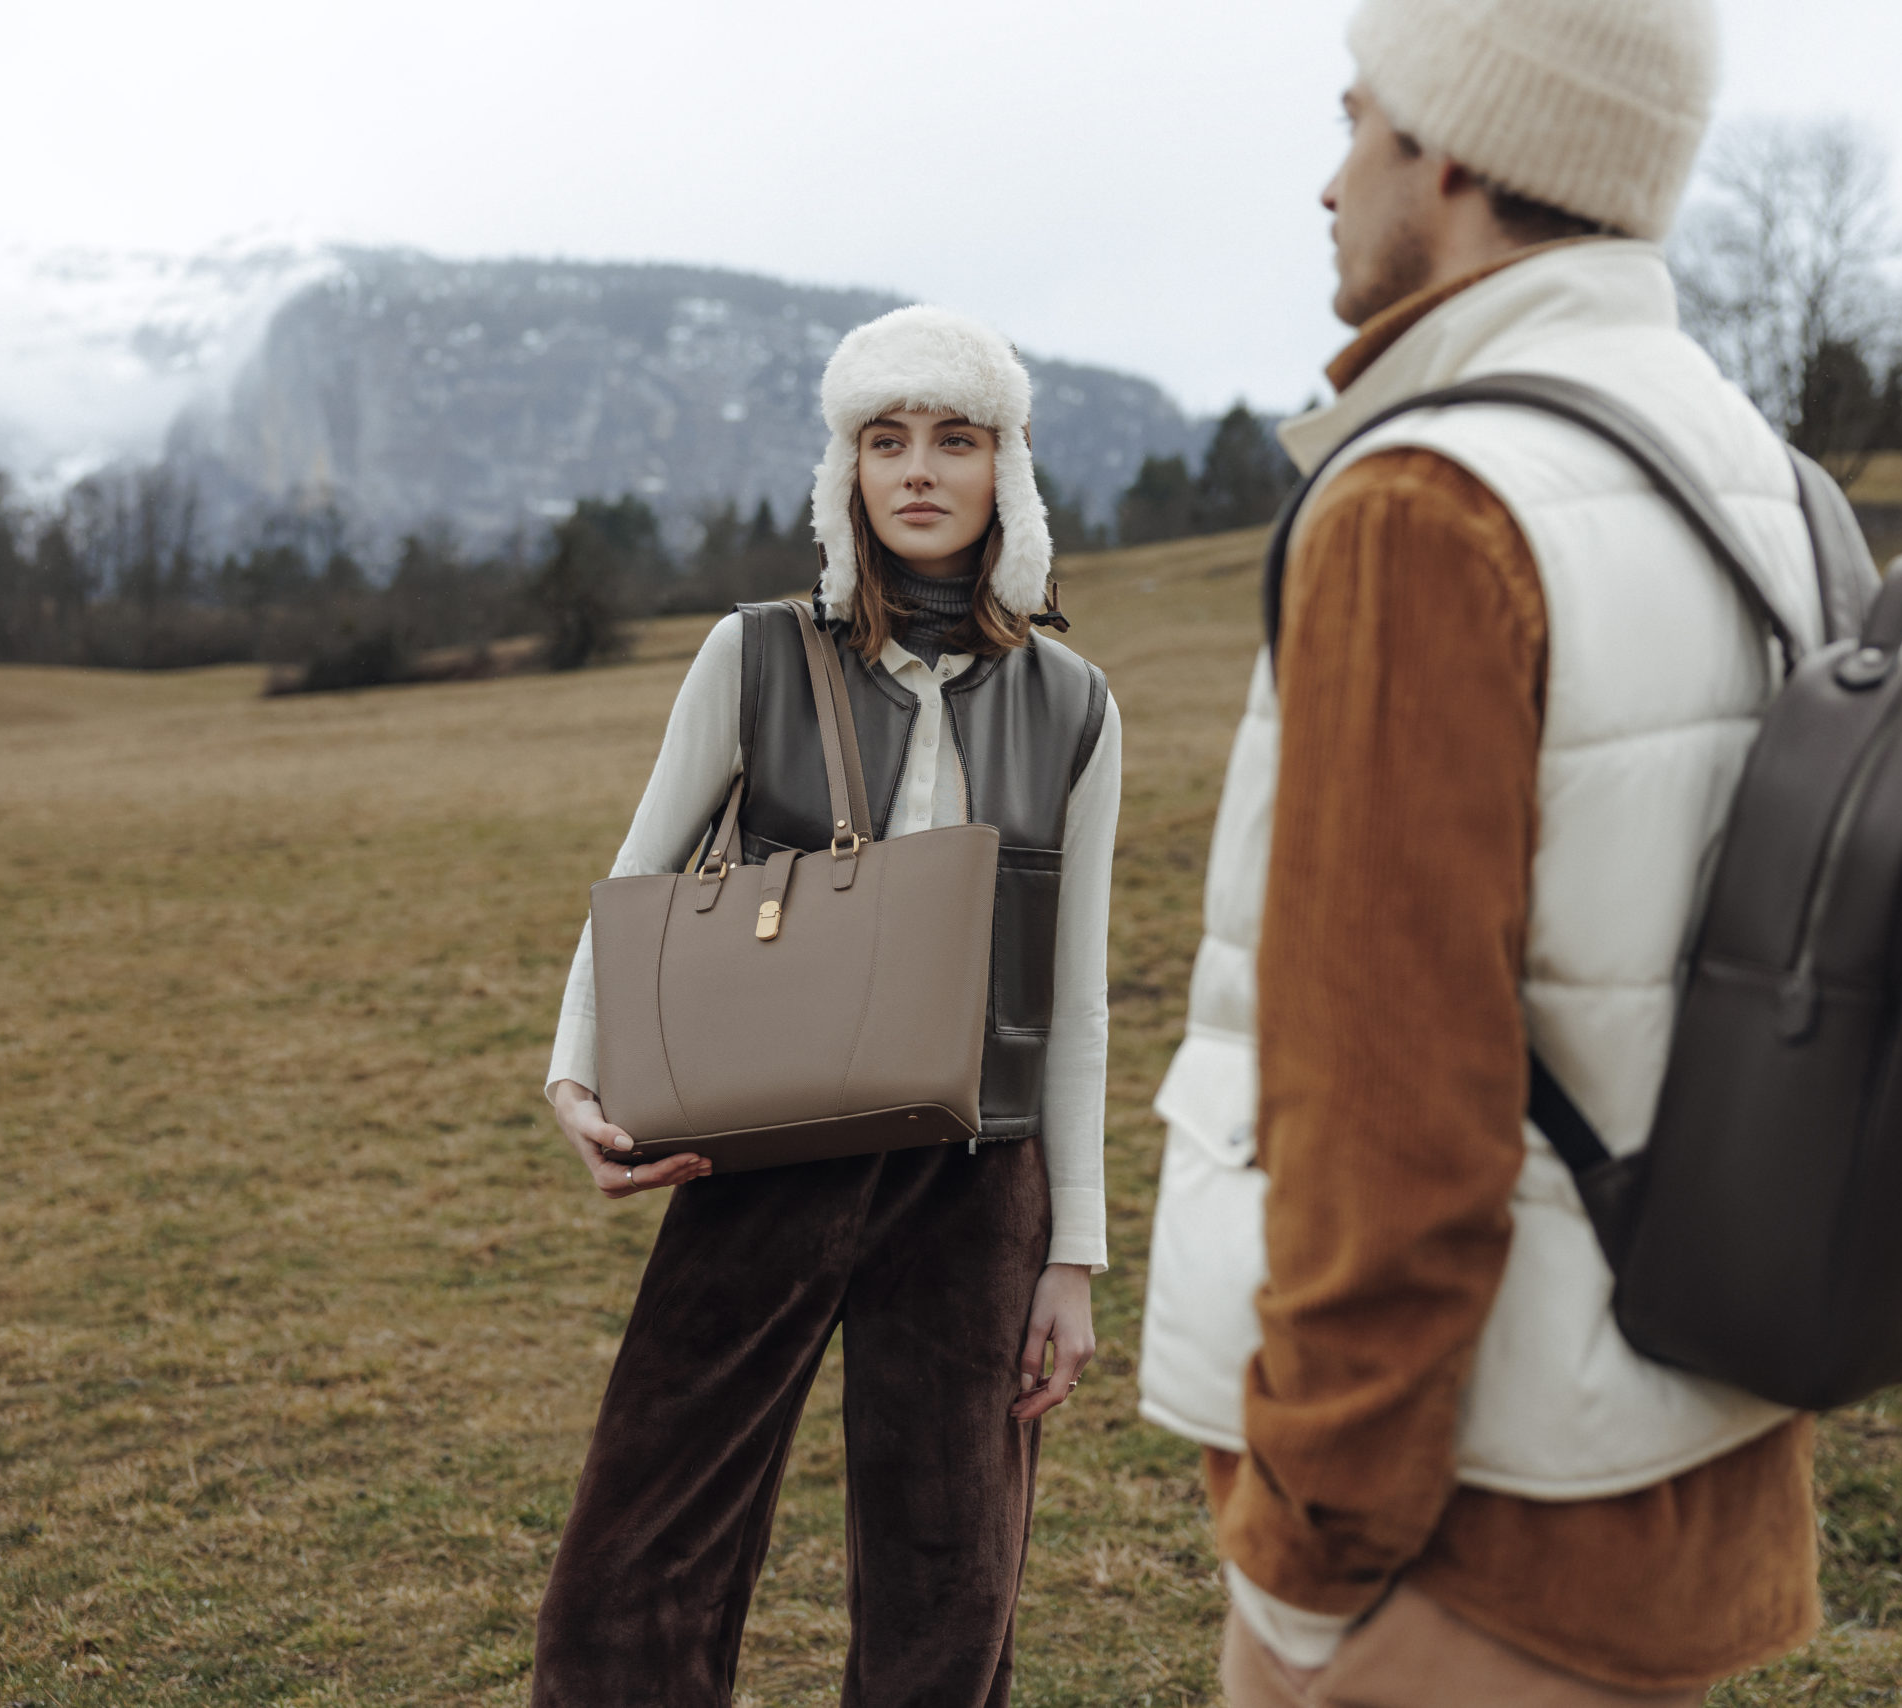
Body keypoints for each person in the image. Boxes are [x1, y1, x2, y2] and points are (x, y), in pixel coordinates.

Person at [1136, 1, 1830, 1703]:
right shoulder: (1766, 482)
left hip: (1468, 1540)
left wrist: (1311, 1564)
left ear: (1448, 148)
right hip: (1694, 1470)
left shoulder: (1428, 508)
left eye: (1356, 119)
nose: (1329, 182)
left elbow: (1391, 1111)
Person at [533, 305, 1122, 1708]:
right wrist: (574, 1077)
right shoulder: (752, 654)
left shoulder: (1075, 703)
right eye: (885, 439)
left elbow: (1078, 993)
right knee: (644, 1547)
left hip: (977, 1177)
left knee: (951, 1581)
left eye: (955, 440)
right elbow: (638, 878)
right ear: (844, 470)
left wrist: (1074, 1256)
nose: (918, 469)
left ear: (1005, 468)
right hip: (758, 1149)